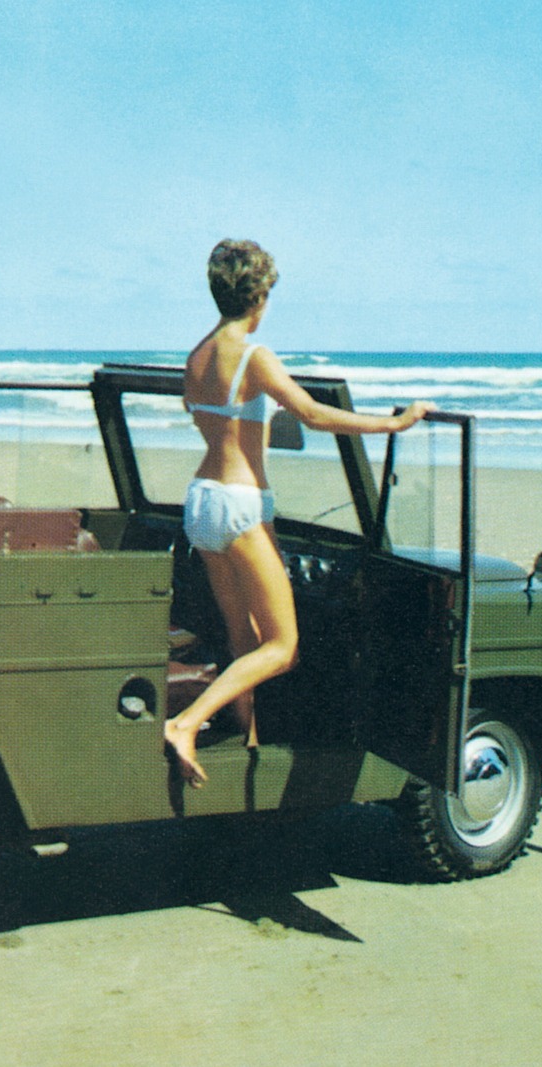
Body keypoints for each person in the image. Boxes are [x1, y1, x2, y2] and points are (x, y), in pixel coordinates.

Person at [163, 239, 433, 787]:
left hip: (203, 501)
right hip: (240, 503)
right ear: (259, 297)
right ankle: (185, 724)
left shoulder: (196, 356)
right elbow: (312, 415)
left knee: (241, 638)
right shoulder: (254, 357)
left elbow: (208, 415)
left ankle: (250, 740)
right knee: (282, 647)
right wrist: (394, 424)